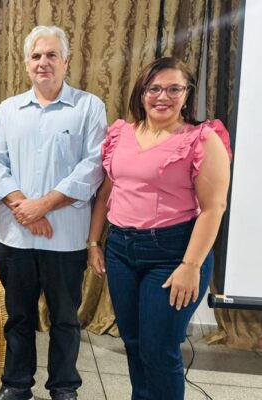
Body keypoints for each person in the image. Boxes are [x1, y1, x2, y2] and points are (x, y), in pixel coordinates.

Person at [86, 57, 232, 400]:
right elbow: (106, 192)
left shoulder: (201, 139)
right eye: (154, 88)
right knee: (134, 343)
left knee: (159, 350)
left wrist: (190, 266)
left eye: (173, 89)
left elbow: (214, 208)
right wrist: (94, 242)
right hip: (121, 250)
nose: (162, 96)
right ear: (142, 93)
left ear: (187, 93)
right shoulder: (121, 134)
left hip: (173, 254)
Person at [0, 26, 107, 400]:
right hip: (15, 235)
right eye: (36, 56)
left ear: (66, 61)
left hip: (66, 238)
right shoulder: (9, 109)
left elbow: (92, 168)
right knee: (18, 316)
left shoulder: (89, 107)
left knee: (66, 320)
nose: (43, 62)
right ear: (26, 63)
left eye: (52, 55)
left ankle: (64, 387)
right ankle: (16, 384)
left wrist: (43, 205)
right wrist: (27, 208)